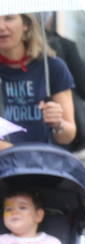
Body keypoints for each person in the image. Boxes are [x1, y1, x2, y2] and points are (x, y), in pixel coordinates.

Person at [0, 13, 77, 148]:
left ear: (26, 24)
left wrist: (58, 123)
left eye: (9, 18)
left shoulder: (52, 67)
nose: (1, 27)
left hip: (43, 163)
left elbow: (68, 135)